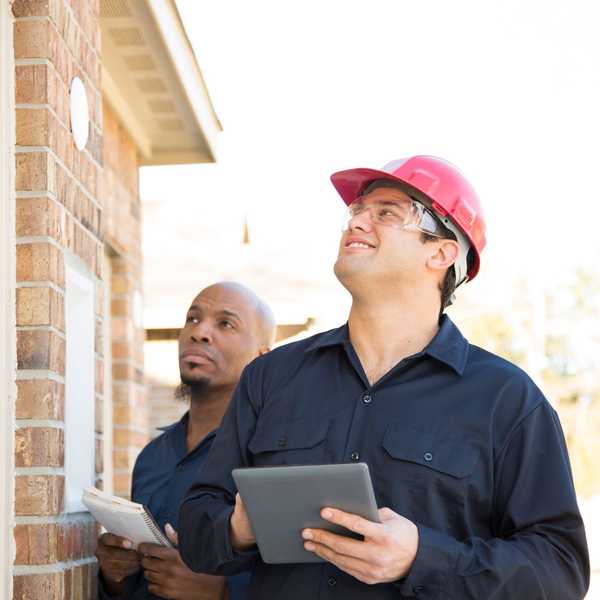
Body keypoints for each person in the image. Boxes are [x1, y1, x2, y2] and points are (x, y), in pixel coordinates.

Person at [178, 156, 590, 599]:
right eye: (356, 212)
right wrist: (239, 528)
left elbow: (560, 570)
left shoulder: (506, 399)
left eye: (387, 212)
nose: (357, 223)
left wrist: (422, 557)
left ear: (441, 251)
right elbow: (198, 527)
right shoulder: (270, 378)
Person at [96, 281, 276, 600]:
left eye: (225, 323)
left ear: (262, 357)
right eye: (193, 318)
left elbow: (306, 574)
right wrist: (115, 576)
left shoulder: (273, 455)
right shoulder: (153, 456)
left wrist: (222, 592)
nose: (200, 332)